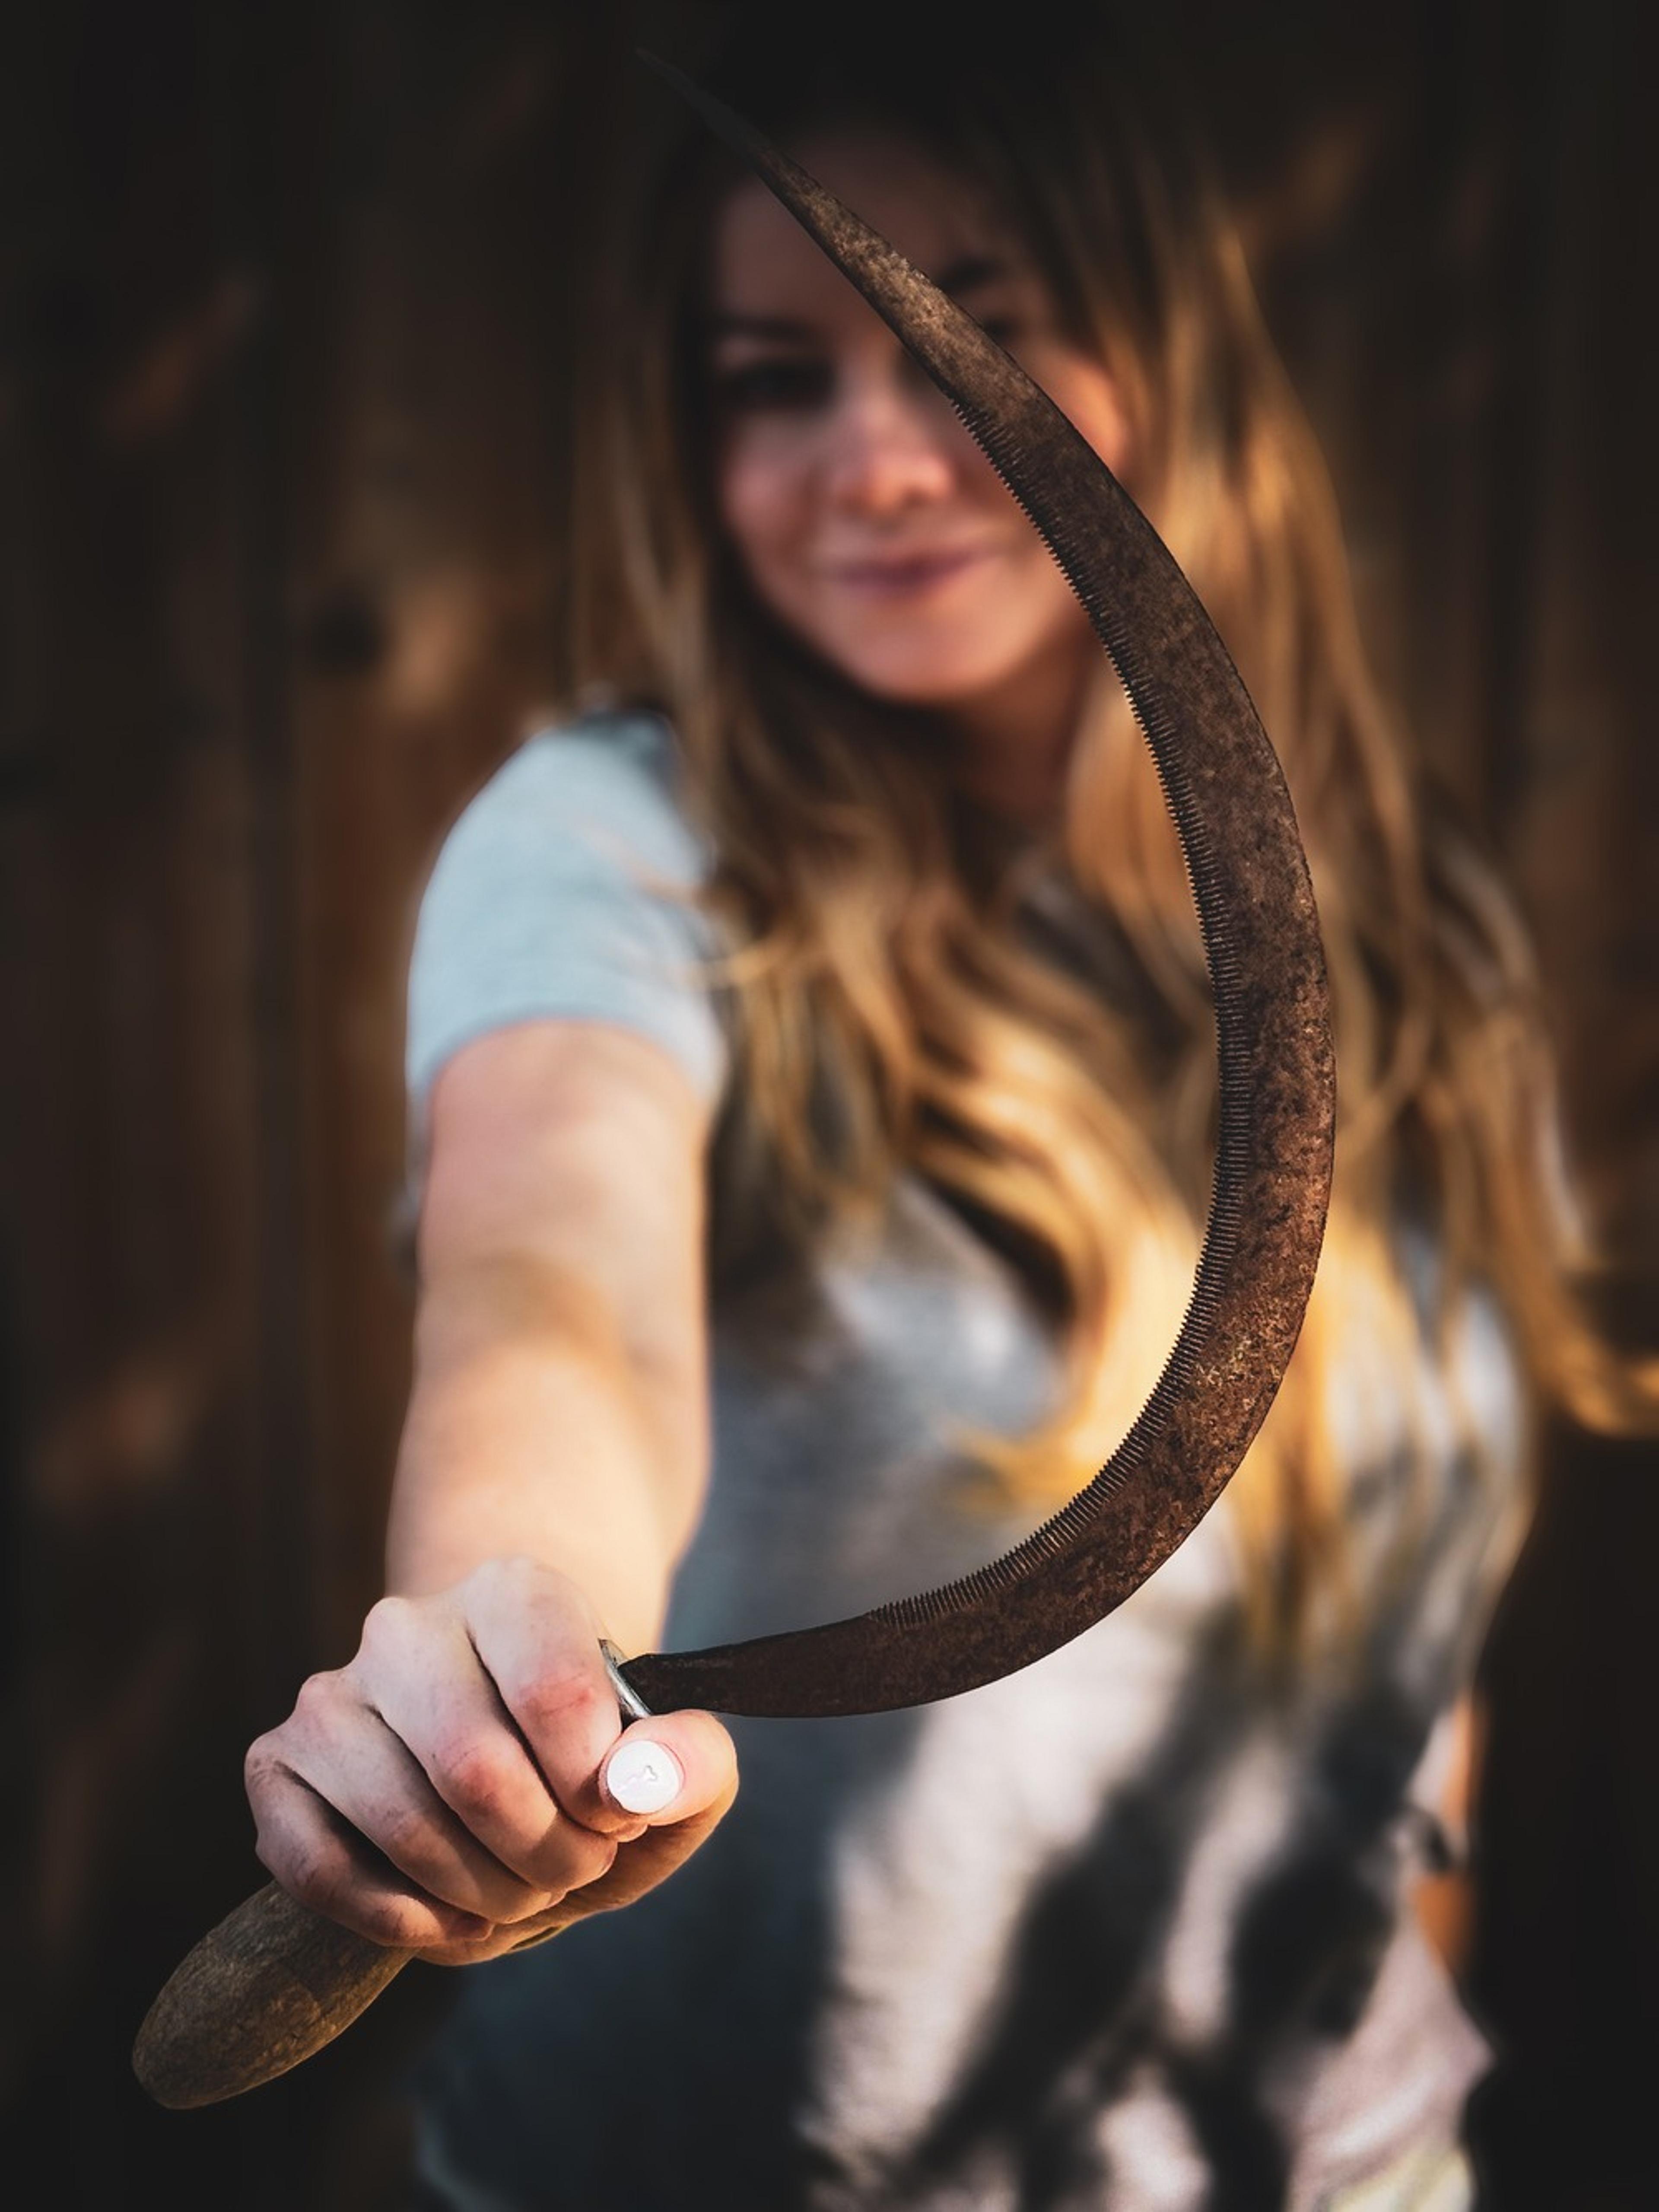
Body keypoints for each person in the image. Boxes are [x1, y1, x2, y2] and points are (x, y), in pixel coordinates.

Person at [242, 12, 1651, 2208]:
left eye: (971, 336)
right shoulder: (618, 845)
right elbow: (555, 1290)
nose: (879, 457)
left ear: (1164, 351)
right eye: (772, 377)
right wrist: (497, 1636)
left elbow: (1408, 1633)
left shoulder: (1408, 930)